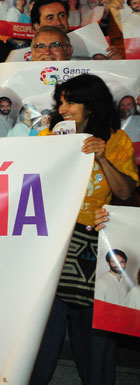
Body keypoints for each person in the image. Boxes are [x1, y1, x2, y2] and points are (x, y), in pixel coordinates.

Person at [29, 74, 139, 385]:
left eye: (71, 101)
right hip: (51, 247)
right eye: (60, 101)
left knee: (95, 337)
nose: (63, 108)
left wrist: (102, 156)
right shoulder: (46, 137)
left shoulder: (116, 141)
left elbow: (125, 193)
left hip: (94, 249)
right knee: (41, 337)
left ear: (91, 105)